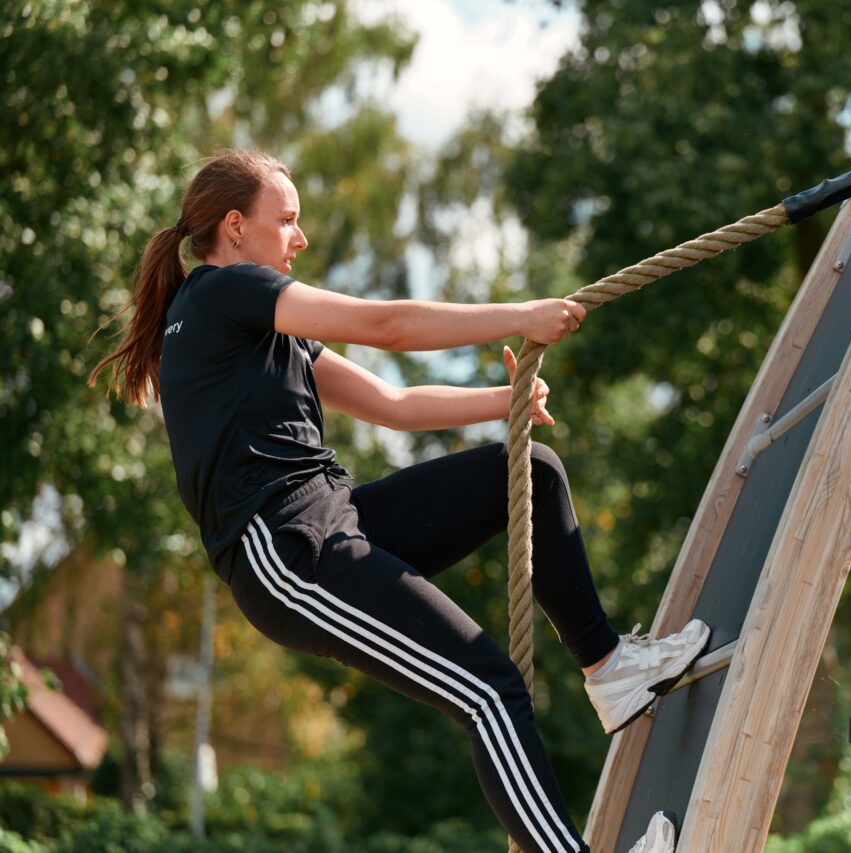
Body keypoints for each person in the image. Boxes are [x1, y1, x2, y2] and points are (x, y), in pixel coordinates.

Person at [89, 149, 708, 853]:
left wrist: (501, 400)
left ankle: (610, 669)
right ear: (235, 227)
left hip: (333, 521)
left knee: (529, 472)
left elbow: (393, 403)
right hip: (287, 554)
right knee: (488, 690)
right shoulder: (225, 293)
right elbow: (389, 327)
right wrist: (521, 316)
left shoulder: (250, 322)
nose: (301, 237)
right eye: (286, 220)